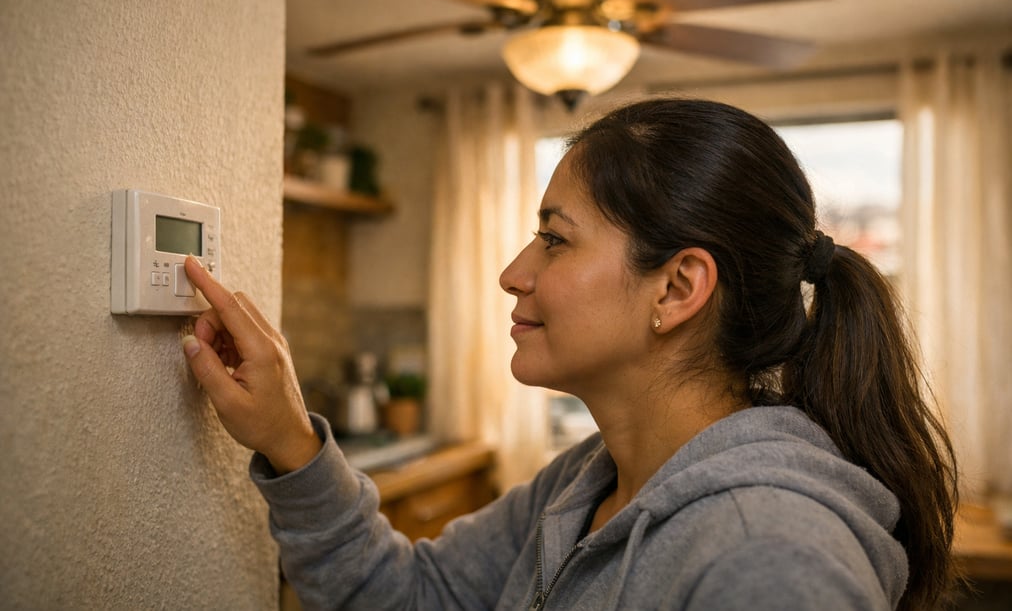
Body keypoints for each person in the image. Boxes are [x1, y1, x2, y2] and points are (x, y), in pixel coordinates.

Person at [181, 98, 958, 611]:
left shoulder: (768, 557)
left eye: (554, 238)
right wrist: (289, 437)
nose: (514, 271)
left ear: (678, 287)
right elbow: (411, 598)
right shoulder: (587, 480)